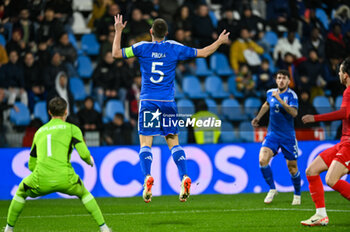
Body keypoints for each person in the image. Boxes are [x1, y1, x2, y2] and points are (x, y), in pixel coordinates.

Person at [112, 15, 229, 203]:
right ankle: (184, 176)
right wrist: (219, 41)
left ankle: (147, 177)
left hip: (149, 101)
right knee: (174, 143)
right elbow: (204, 53)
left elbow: (116, 54)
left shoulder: (142, 47)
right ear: (166, 33)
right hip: (167, 103)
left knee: (145, 144)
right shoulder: (175, 47)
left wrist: (118, 31)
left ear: (151, 32)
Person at [4, 97, 111, 232]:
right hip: (65, 178)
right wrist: (89, 161)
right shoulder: (73, 129)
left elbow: (31, 164)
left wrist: (43, 173)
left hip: (41, 179)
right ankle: (104, 228)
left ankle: (9, 229)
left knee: (20, 192)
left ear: (49, 112)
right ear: (66, 111)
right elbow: (84, 154)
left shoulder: (39, 132)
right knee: (84, 194)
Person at [300, 57, 350, 226]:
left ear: (346, 74)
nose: (338, 74)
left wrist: (315, 118)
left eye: (340, 70)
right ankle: (321, 215)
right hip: (343, 142)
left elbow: (343, 114)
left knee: (331, 179)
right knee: (312, 170)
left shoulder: (348, 92)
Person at [251, 70, 300, 205]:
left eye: (284, 78)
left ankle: (297, 194)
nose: (281, 80)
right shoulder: (270, 93)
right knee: (262, 160)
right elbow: (266, 104)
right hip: (272, 134)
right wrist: (258, 118)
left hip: (287, 136)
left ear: (288, 81)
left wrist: (280, 100)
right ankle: (272, 189)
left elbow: (294, 113)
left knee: (292, 168)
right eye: (279, 78)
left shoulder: (292, 95)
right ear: (276, 80)